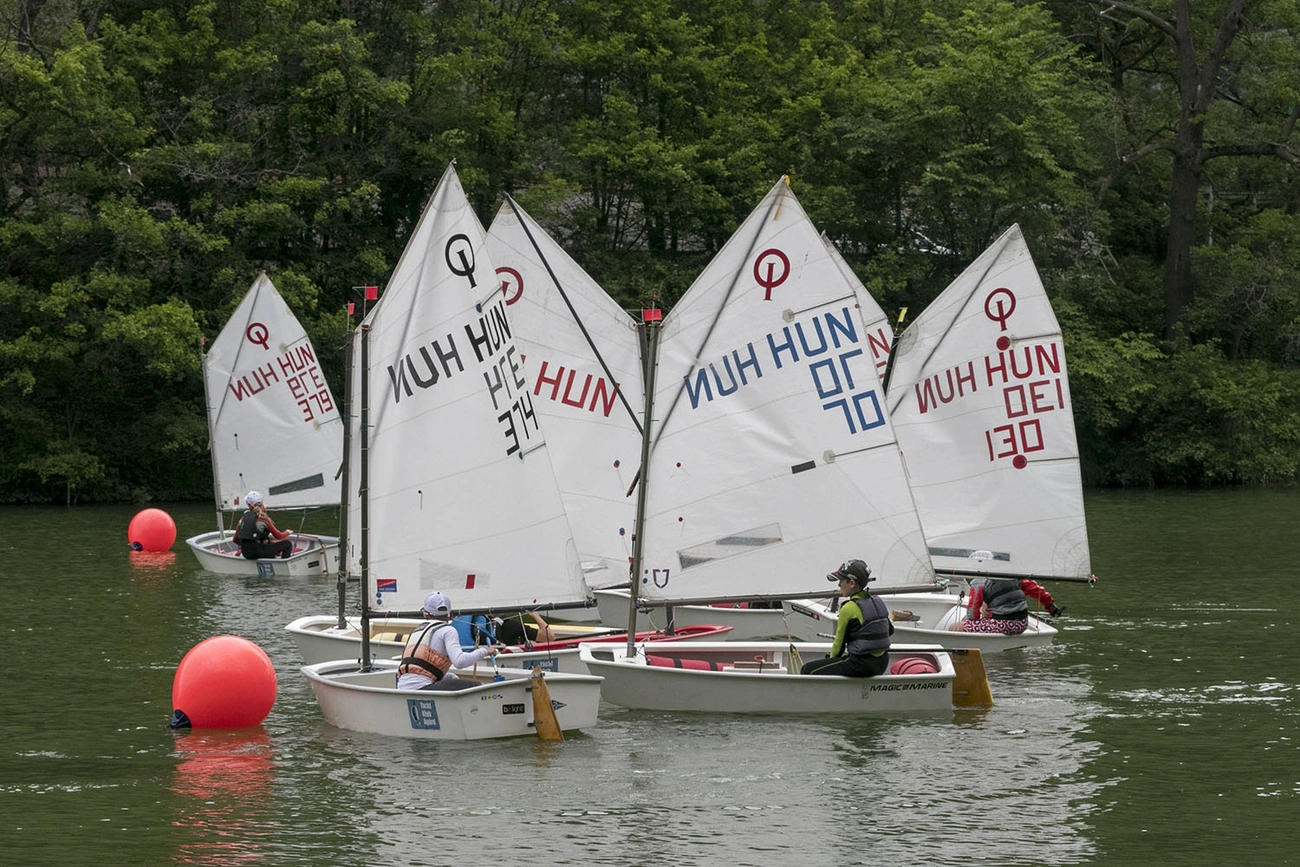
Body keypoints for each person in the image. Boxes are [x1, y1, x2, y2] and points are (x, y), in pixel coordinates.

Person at [800, 559, 913, 677]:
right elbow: (890, 630)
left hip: (862, 665)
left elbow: (839, 646)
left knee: (807, 670)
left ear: (851, 583)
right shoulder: (877, 601)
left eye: (841, 581)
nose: (839, 585)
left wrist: (831, 660)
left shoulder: (848, 608)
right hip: (882, 663)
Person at [396, 592, 505, 691]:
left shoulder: (416, 631)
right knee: (479, 687)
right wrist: (486, 651)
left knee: (452, 677)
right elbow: (459, 662)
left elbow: (424, 671)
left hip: (402, 688)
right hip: (422, 688)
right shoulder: (448, 630)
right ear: (451, 615)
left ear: (425, 614)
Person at [947, 576, 1066, 634]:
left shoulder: (979, 581)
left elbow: (972, 614)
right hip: (1022, 624)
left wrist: (965, 624)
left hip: (1004, 625)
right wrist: (1051, 607)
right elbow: (1036, 590)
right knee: (987, 611)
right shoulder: (1012, 576)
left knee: (954, 627)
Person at [235, 490, 293, 559]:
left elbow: (235, 539)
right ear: (262, 502)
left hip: (246, 553)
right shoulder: (263, 519)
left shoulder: (242, 519)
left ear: (249, 505)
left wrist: (248, 546)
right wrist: (287, 532)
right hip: (259, 552)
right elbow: (278, 536)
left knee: (269, 545)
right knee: (287, 544)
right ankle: (282, 564)